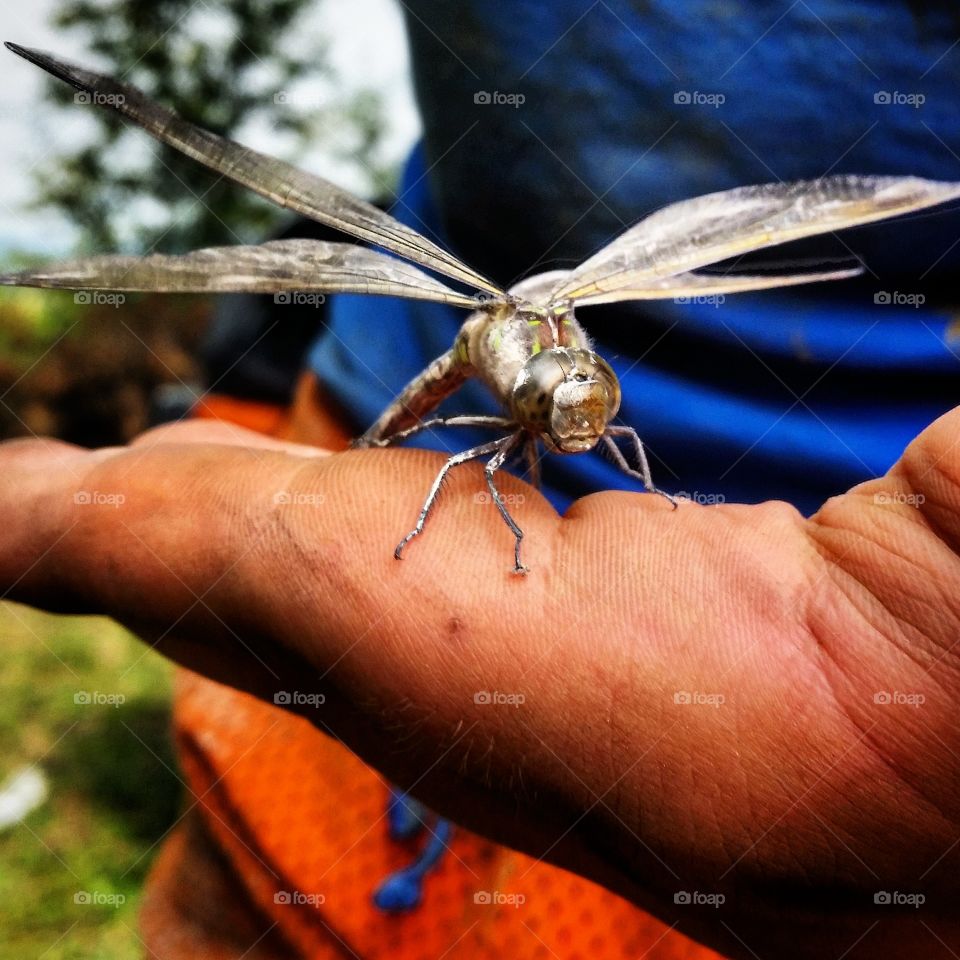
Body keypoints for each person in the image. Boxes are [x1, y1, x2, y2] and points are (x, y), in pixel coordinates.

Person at [5, 2, 960, 957]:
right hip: (356, 432)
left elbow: (593, 431)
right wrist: (460, 526)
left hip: (801, 586)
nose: (586, 413)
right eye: (567, 399)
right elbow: (472, 464)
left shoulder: (575, 381)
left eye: (587, 395)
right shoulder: (483, 412)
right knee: (262, 857)